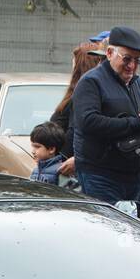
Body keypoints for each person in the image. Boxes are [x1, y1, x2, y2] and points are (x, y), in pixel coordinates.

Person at [71, 25, 140, 206]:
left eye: (137, 61)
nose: (131, 66)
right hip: (101, 175)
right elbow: (88, 122)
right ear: (109, 53)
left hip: (135, 177)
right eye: (127, 59)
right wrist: (138, 122)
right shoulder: (91, 82)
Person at [50, 42, 101, 181]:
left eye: (73, 63)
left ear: (79, 66)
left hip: (68, 168)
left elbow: (74, 130)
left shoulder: (82, 94)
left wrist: (61, 158)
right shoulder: (78, 93)